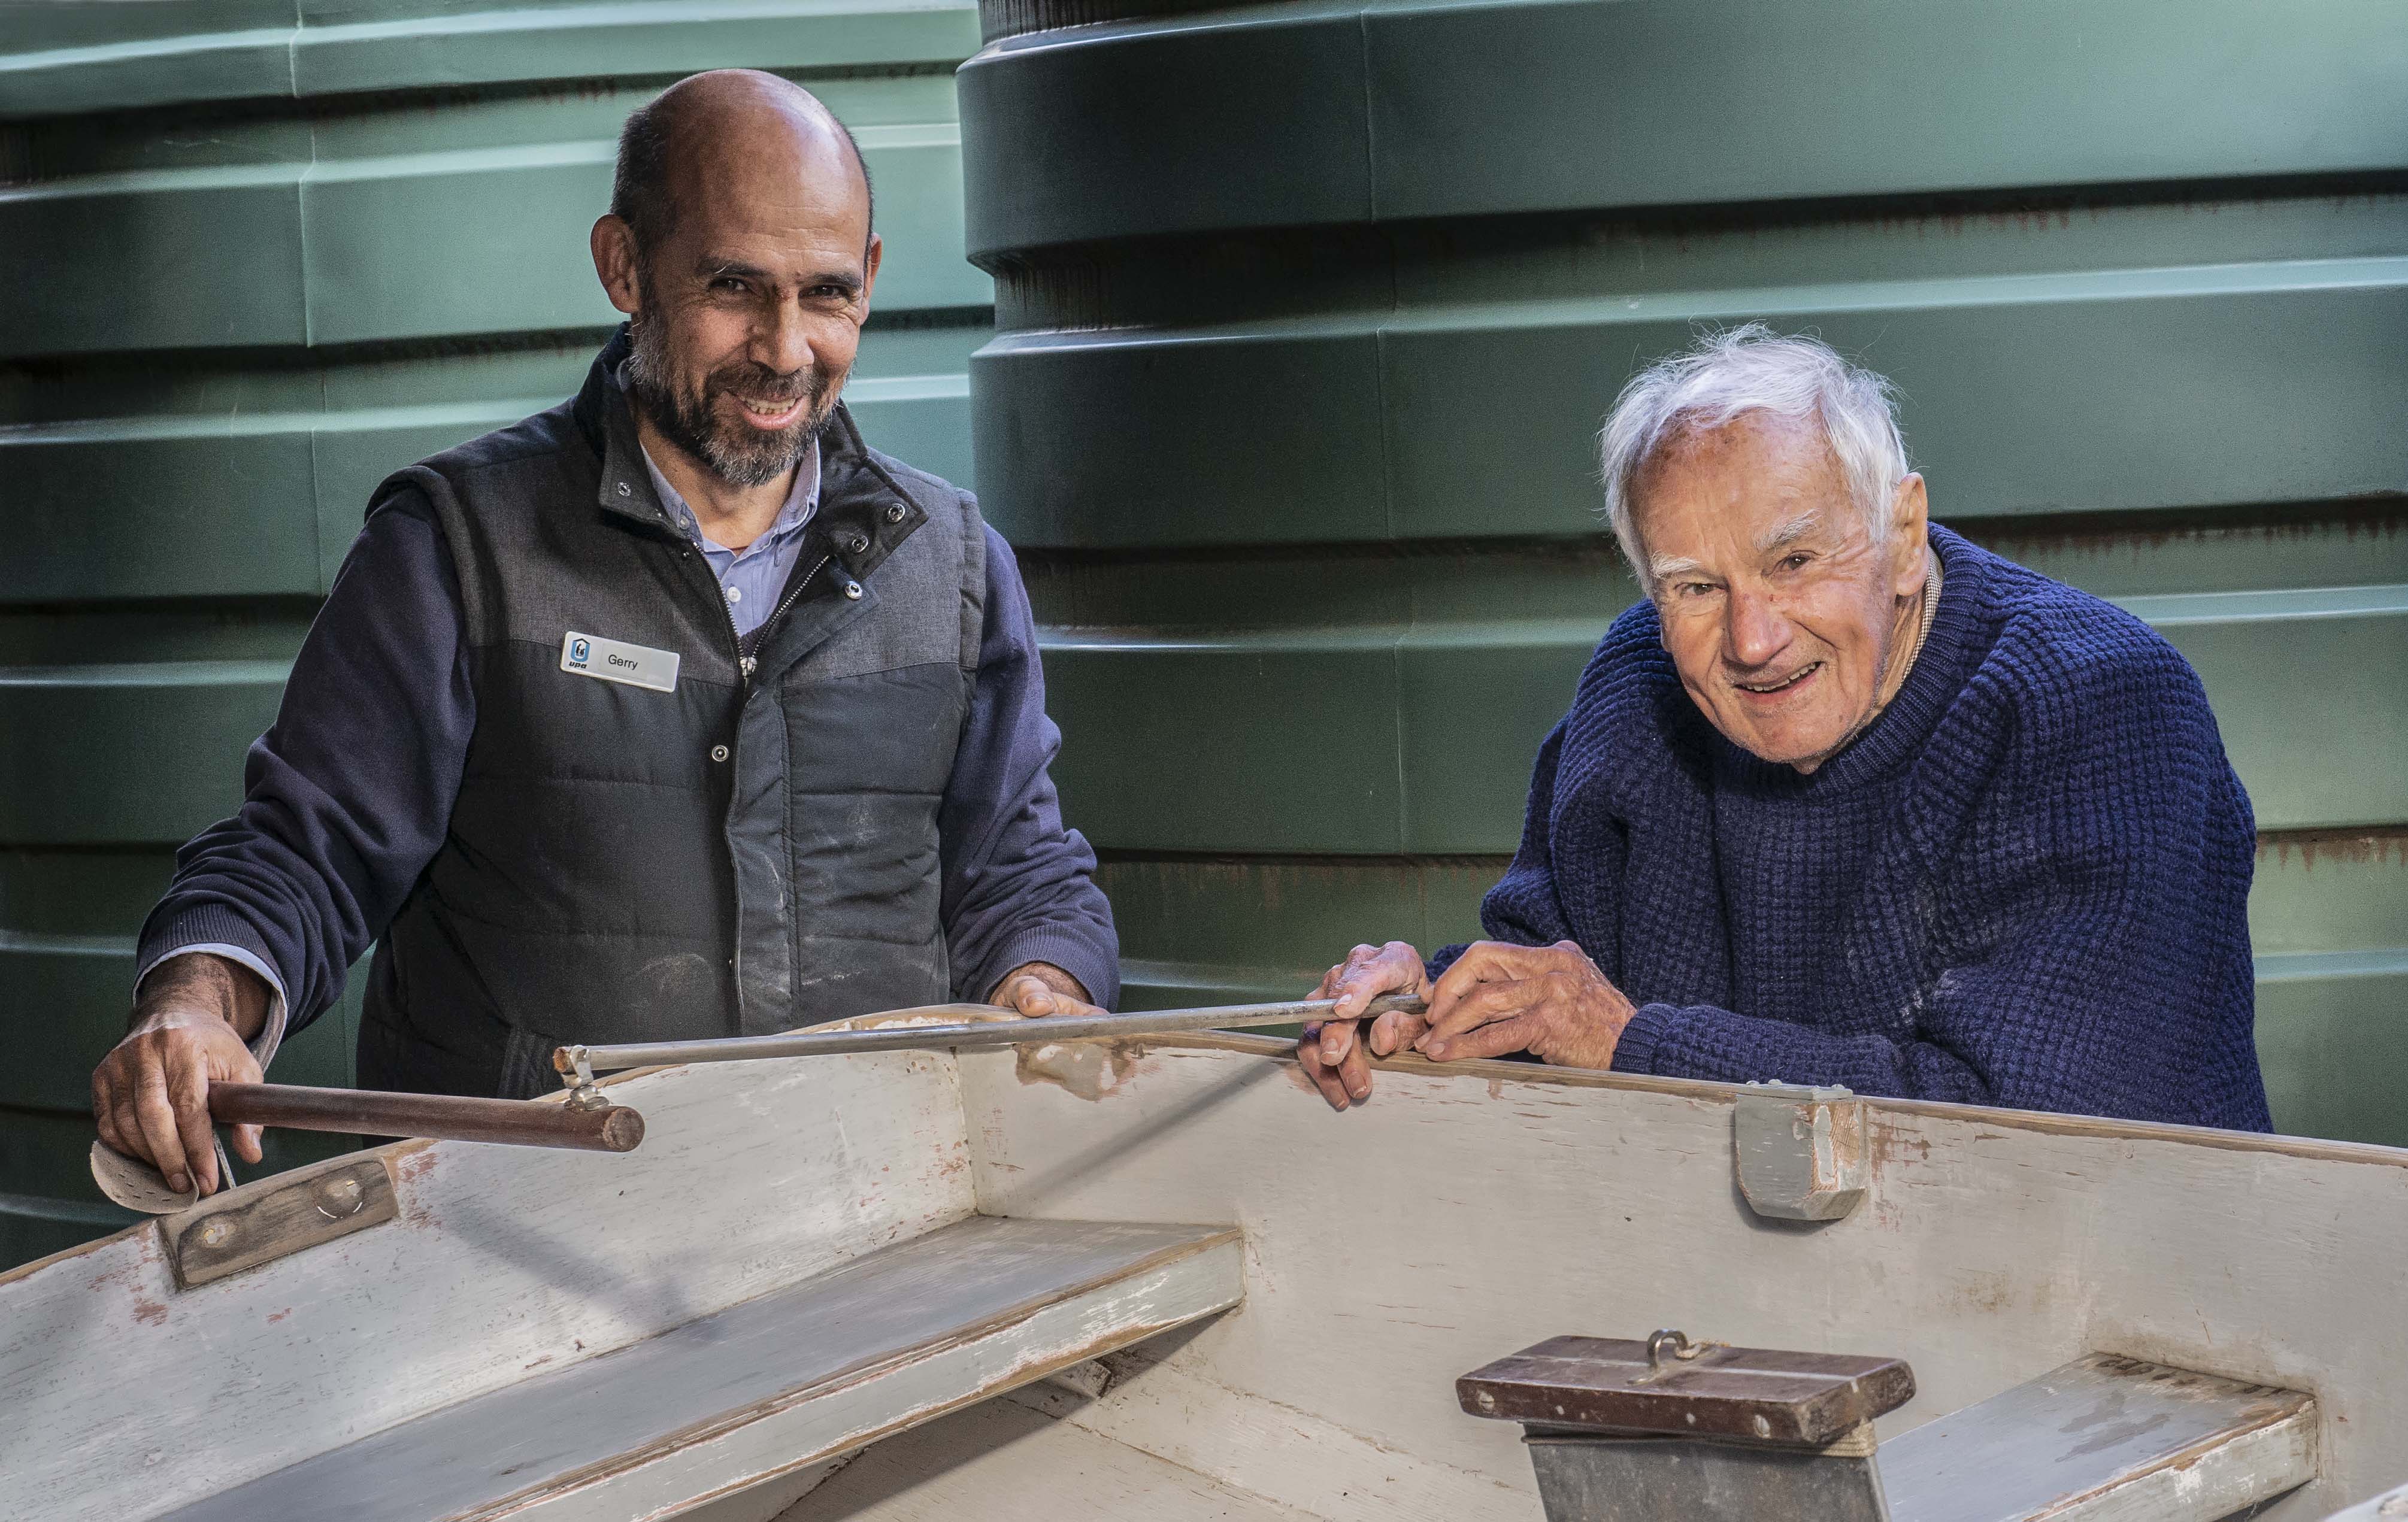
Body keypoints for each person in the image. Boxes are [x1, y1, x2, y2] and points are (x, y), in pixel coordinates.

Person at [93, 71, 1119, 1196]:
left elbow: (1018, 872)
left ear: (869, 278)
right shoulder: (462, 546)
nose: (785, 349)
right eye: (734, 286)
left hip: (864, 1211)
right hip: (522, 1232)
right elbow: (304, 850)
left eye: (826, 294)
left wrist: (1046, 983)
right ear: (624, 267)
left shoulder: (951, 565)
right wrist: (196, 1003)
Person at [1298, 326, 2270, 1130]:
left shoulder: (2097, 704)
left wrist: (1630, 1044)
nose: (1752, 640)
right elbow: (1555, 998)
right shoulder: (1636, 685)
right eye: (1694, 587)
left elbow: (2029, 1135)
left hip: (2096, 1292)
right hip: (1730, 1283)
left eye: (1793, 561)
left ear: (1902, 536)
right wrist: (1419, 1006)